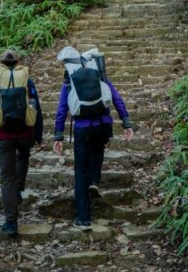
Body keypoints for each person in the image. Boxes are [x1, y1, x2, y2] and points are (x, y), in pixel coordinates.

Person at [52, 77, 133, 230]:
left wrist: (58, 135)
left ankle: (83, 220)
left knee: (80, 171)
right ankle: (94, 180)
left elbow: (62, 108)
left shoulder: (70, 78)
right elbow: (116, 98)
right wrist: (126, 122)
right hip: (102, 125)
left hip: (82, 127)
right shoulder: (99, 75)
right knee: (98, 150)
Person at [0, 50, 43, 237]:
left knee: (7, 178)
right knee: (23, 158)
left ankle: (11, 222)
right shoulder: (27, 81)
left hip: (3, 134)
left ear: (0, 64)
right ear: (18, 62)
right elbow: (35, 107)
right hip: (24, 133)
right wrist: (38, 134)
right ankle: (18, 189)